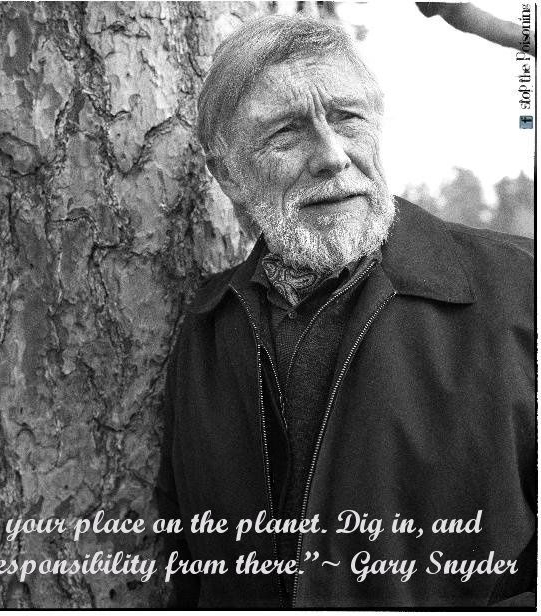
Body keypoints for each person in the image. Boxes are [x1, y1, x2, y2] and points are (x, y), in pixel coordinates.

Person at [156, 14, 535, 609]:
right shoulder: (207, 332)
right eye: (285, 136)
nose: (332, 157)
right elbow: (192, 567)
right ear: (227, 175)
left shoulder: (520, 287)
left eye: (348, 119)